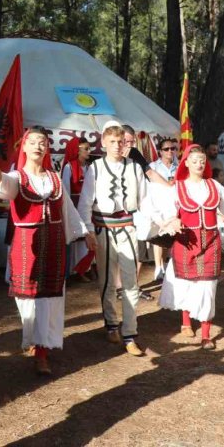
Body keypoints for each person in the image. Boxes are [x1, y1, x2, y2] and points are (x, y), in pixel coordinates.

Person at [0, 126, 95, 375]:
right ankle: (34, 340)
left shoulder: (55, 178)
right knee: (29, 298)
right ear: (24, 147)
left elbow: (68, 210)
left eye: (42, 142)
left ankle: (43, 350)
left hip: (54, 243)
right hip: (26, 246)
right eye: (32, 142)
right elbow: (2, 185)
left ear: (47, 148)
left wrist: (85, 233)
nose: (38, 146)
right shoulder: (17, 177)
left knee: (51, 296)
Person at [146, 144, 224, 349]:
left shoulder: (214, 186)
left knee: (208, 286)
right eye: (195, 160)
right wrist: (172, 221)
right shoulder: (177, 187)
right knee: (186, 284)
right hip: (186, 241)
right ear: (186, 163)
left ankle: (206, 333)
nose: (199, 164)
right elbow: (166, 211)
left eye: (202, 161)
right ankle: (186, 321)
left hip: (210, 242)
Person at [78, 122, 148, 355]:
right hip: (103, 227)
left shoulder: (135, 168)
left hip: (128, 226)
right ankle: (111, 324)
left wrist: (147, 227)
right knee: (107, 281)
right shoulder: (95, 168)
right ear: (104, 143)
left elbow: (145, 201)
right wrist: (87, 231)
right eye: (113, 142)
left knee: (131, 282)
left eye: (121, 141)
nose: (118, 146)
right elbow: (85, 202)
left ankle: (130, 332)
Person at [121, 125, 166, 299]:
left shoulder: (135, 155)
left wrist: (168, 185)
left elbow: (150, 173)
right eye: (126, 141)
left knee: (138, 250)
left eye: (132, 142)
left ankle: (133, 286)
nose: (128, 145)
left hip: (136, 211)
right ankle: (121, 288)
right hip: (115, 216)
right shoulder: (106, 161)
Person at [146, 137, 179, 280]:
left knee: (168, 236)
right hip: (158, 206)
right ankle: (158, 267)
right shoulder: (153, 166)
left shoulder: (178, 167)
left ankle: (164, 264)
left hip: (172, 206)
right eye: (166, 149)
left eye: (173, 148)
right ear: (160, 151)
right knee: (159, 236)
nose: (170, 151)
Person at [62, 137, 93, 281]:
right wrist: (70, 210)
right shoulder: (69, 167)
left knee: (87, 238)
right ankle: (75, 271)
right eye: (85, 148)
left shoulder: (89, 167)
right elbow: (66, 190)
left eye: (89, 148)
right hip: (74, 206)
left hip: (88, 206)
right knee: (77, 238)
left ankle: (85, 267)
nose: (89, 151)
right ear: (77, 150)